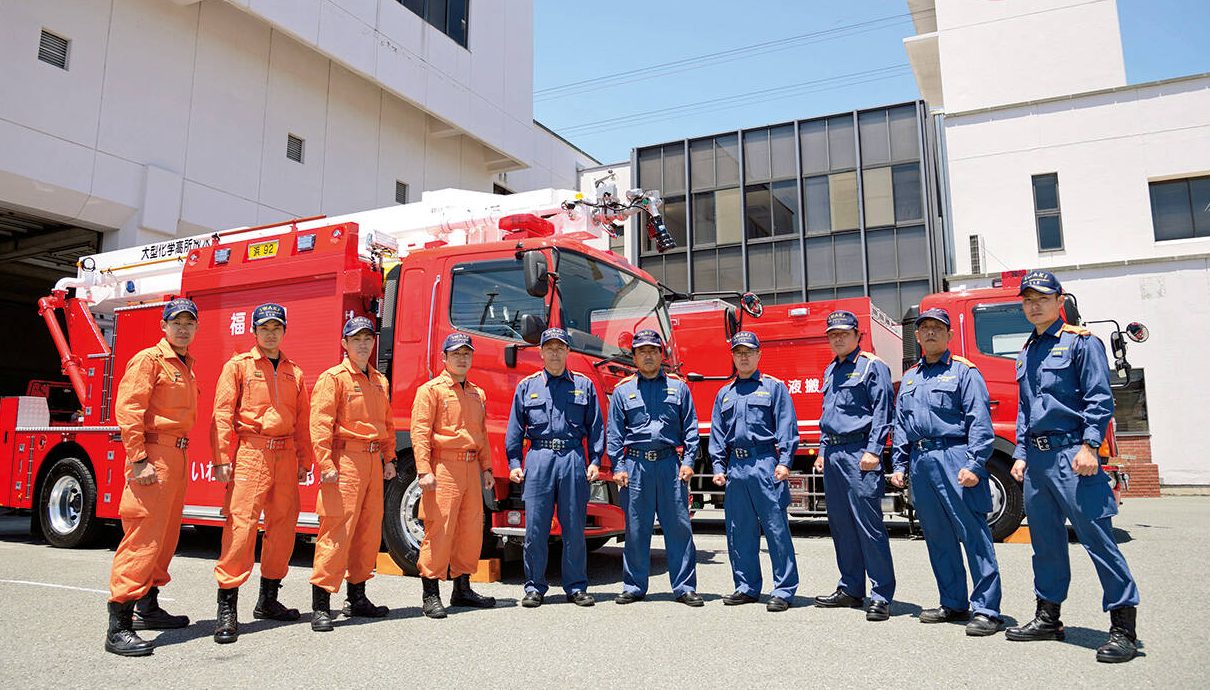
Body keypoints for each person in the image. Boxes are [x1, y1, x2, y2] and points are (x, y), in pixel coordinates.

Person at [1004, 270, 1141, 663]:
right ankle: (1048, 617)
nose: (1034, 305)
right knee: (1045, 543)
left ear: (1059, 301)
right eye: (1028, 299)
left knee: (1099, 540)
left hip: (1073, 456)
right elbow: (1026, 409)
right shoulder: (1027, 350)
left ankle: (1123, 628)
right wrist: (1022, 454)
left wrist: (1090, 445)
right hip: (1039, 461)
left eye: (1042, 298)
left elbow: (1099, 398)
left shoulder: (1082, 343)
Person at [890, 307, 1003, 636]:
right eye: (924, 328)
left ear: (950, 335)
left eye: (937, 328)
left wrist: (975, 464)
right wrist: (899, 464)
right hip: (921, 462)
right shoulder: (910, 377)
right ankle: (953, 602)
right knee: (938, 537)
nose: (930, 333)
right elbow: (901, 426)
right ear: (917, 336)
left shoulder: (964, 372)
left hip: (955, 458)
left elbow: (979, 423)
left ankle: (987, 609)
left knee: (974, 535)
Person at [210, 303, 313, 643]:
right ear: (253, 331)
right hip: (251, 452)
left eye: (277, 327)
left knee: (283, 528)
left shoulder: (294, 372)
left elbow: (302, 420)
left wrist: (304, 459)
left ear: (284, 331)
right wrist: (223, 457)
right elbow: (222, 414)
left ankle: (268, 599)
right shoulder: (238, 367)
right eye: (265, 327)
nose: (271, 333)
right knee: (242, 528)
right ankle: (227, 608)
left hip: (284, 454)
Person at [104, 298, 199, 657]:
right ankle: (119, 625)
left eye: (189, 323)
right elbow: (129, 410)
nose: (183, 328)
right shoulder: (149, 360)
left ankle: (148, 606)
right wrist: (139, 459)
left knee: (167, 535)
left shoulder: (186, 364)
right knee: (143, 537)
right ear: (164, 325)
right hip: (154, 455)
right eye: (176, 322)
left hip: (176, 455)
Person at [308, 316, 397, 631]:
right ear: (344, 344)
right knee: (337, 531)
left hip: (373, 463)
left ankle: (357, 596)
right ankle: (321, 603)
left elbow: (386, 425)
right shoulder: (333, 379)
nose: (363, 344)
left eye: (368, 339)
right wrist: (326, 463)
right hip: (345, 461)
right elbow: (320, 423)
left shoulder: (378, 380)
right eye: (356, 339)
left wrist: (389, 459)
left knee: (368, 532)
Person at [505, 327, 603, 608]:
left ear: (568, 351)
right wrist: (514, 462)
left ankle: (576, 587)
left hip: (572, 458)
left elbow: (596, 427)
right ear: (541, 352)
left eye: (560, 347)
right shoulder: (528, 386)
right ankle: (534, 587)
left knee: (574, 527)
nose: (555, 352)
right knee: (536, 528)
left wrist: (595, 460)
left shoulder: (583, 386)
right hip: (539, 459)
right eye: (550, 348)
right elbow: (515, 428)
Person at [606, 329, 702, 607]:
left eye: (653, 350)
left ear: (662, 355)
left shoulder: (678, 387)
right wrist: (618, 465)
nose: (648, 356)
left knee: (679, 528)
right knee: (636, 528)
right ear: (634, 356)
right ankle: (634, 586)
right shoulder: (623, 390)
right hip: (635, 466)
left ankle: (684, 586)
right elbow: (615, 433)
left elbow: (691, 428)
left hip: (670, 465)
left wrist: (688, 462)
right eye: (642, 351)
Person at [813, 310, 897, 622]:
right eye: (832, 333)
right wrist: (822, 451)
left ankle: (880, 594)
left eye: (843, 333)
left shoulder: (873, 367)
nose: (837, 338)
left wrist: (874, 451)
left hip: (860, 453)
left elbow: (883, 411)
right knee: (841, 526)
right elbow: (828, 417)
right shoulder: (830, 370)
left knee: (868, 526)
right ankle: (850, 587)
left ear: (857, 335)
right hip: (835, 455)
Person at [708, 331, 800, 612]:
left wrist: (784, 461)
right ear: (733, 357)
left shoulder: (773, 388)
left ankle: (783, 589)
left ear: (759, 355)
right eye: (738, 352)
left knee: (776, 530)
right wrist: (718, 466)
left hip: (765, 465)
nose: (743, 356)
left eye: (749, 351)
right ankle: (746, 586)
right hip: (736, 468)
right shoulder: (724, 393)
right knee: (739, 530)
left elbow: (786, 426)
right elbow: (717, 434)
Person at [410, 332, 496, 619]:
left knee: (471, 530)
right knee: (440, 529)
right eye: (456, 353)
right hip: (444, 466)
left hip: (472, 466)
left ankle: (462, 588)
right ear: (444, 358)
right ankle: (430, 593)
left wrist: (486, 467)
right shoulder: (430, 391)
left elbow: (480, 433)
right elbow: (420, 432)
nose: (462, 358)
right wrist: (423, 470)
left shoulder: (477, 392)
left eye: (466, 353)